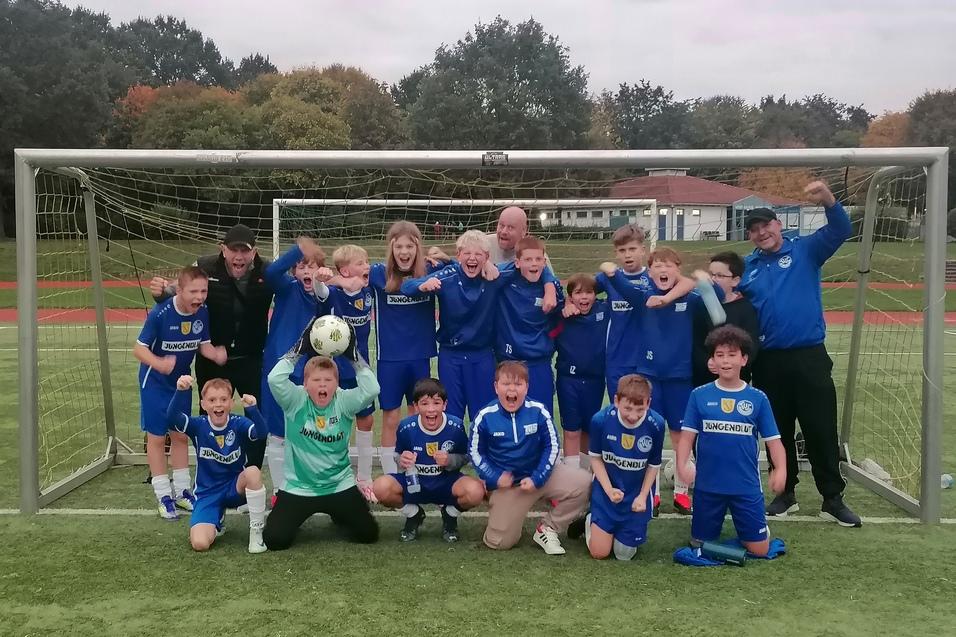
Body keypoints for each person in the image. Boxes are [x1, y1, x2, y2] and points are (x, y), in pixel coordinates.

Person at [738, 181, 861, 527]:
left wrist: (829, 202)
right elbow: (727, 294)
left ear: (779, 225)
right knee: (777, 430)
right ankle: (785, 492)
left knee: (820, 427)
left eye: (766, 225)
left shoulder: (806, 250)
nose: (762, 232)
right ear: (750, 236)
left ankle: (832, 498)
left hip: (809, 356)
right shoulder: (748, 268)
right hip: (769, 361)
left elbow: (841, 229)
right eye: (755, 229)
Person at [149, 223, 274, 469]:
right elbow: (179, 292)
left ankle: (251, 473)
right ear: (223, 250)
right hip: (212, 359)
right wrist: (161, 292)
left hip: (252, 358)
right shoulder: (204, 266)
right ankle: (212, 472)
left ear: (254, 252)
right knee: (209, 418)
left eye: (245, 251)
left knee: (257, 415)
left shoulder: (268, 270)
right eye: (233, 250)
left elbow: (299, 284)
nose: (239, 256)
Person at [263, 320, 381, 551]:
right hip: (299, 487)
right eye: (316, 380)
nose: (322, 386)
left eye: (328, 380)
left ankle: (341, 513)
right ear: (305, 384)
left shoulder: (344, 401)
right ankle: (294, 516)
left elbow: (372, 389)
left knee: (368, 534)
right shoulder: (294, 400)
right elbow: (274, 379)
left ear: (337, 384)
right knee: (275, 540)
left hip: (338, 485)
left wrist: (353, 356)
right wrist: (299, 349)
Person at [601, 248, 701, 514]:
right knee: (649, 434)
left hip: (680, 379)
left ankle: (682, 493)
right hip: (650, 379)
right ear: (649, 272)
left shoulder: (690, 299)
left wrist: (669, 297)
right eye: (656, 266)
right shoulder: (643, 297)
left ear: (678, 268)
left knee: (682, 436)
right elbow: (617, 280)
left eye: (667, 265)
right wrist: (610, 269)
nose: (662, 270)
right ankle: (652, 494)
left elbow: (699, 281)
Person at [677, 325, 786, 556]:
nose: (726, 361)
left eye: (732, 355)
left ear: (744, 359)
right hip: (708, 486)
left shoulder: (757, 398)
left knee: (759, 550)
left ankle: (758, 531)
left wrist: (781, 469)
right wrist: (682, 465)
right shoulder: (699, 395)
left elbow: (774, 441)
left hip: (745, 486)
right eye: (720, 355)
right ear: (713, 361)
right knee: (699, 546)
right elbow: (686, 437)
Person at [469, 361, 591, 555]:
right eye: (506, 384)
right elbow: (475, 453)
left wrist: (538, 478)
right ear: (496, 387)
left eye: (518, 384)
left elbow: (552, 447)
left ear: (527, 387)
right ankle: (501, 508)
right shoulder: (484, 416)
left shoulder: (538, 411)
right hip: (509, 485)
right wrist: (495, 477)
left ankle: (548, 528)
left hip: (540, 476)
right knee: (499, 542)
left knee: (585, 483)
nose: (512, 389)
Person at [134, 266, 227, 518]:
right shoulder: (161, 313)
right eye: (193, 291)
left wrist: (216, 354)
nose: (199, 296)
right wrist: (159, 363)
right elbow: (139, 349)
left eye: (203, 291)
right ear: (180, 290)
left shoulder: (203, 312)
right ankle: (163, 495)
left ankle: (184, 492)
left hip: (183, 383)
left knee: (180, 436)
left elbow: (202, 343)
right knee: (156, 438)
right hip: (154, 383)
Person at [398, 231, 506, 422]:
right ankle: (453, 452)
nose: (472, 258)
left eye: (479, 254)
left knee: (482, 415)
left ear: (487, 257)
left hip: (482, 356)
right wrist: (422, 286)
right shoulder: (447, 277)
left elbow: (525, 265)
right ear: (458, 255)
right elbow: (406, 287)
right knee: (451, 414)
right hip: (451, 356)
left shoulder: (494, 276)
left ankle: (478, 452)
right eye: (467, 253)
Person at [261, 237, 332, 501]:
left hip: (309, 373)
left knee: (307, 431)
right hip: (278, 368)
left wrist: (321, 279)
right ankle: (280, 490)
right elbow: (270, 272)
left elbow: (323, 294)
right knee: (277, 432)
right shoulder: (287, 287)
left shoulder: (323, 294)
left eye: (313, 267)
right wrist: (298, 251)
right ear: (294, 272)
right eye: (302, 267)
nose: (307, 271)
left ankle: (307, 484)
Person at [372, 378, 485, 543]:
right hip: (415, 483)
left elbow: (465, 456)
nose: (431, 409)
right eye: (425, 404)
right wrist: (401, 460)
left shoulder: (456, 426)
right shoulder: (406, 427)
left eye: (436, 403)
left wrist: (449, 460)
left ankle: (450, 515)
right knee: (380, 487)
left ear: (444, 405)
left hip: (446, 482)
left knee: (475, 492)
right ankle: (414, 515)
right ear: (416, 407)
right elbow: (397, 455)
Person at [166, 375, 268, 553]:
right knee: (200, 544)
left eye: (223, 399)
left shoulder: (238, 423)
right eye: (212, 400)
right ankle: (216, 518)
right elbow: (172, 419)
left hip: (234, 488)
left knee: (253, 472)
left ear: (231, 403)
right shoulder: (199, 425)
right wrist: (180, 391)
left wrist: (252, 409)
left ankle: (256, 535)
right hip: (208, 494)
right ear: (203, 404)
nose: (218, 404)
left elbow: (261, 433)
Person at [368, 222, 437, 480]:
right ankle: (389, 474)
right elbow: (352, 277)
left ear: (418, 247)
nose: (404, 251)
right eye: (399, 246)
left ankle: (415, 468)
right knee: (390, 417)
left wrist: (442, 254)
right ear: (391, 248)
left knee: (418, 414)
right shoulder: (379, 273)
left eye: (410, 245)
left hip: (419, 356)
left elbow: (458, 267)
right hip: (390, 359)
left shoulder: (431, 270)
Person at [586, 374, 665, 561]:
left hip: (635, 495)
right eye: (627, 408)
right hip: (608, 491)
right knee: (599, 553)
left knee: (624, 555)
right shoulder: (600, 420)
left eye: (640, 409)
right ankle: (592, 520)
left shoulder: (657, 424)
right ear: (616, 400)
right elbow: (596, 459)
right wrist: (608, 489)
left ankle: (622, 530)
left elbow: (653, 465)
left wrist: (643, 497)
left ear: (649, 403)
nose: (633, 415)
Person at [323, 244, 377, 500]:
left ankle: (364, 477)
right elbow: (322, 287)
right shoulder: (334, 291)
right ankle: (335, 476)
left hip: (361, 368)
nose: (367, 266)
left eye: (367, 262)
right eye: (360, 262)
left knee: (366, 420)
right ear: (345, 270)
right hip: (337, 369)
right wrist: (337, 280)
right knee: (336, 422)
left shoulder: (369, 288)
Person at [493, 235, 563, 413]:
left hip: (539, 363)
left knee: (541, 414)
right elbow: (486, 270)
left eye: (539, 259)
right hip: (509, 361)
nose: (534, 264)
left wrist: (549, 285)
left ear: (544, 262)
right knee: (508, 417)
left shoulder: (553, 287)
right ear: (517, 263)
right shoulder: (506, 278)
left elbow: (561, 318)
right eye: (528, 259)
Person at [549, 273, 608, 471]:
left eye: (589, 292)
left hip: (595, 381)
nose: (584, 298)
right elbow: (551, 329)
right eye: (578, 293)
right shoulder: (563, 316)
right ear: (571, 296)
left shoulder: (604, 310)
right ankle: (571, 477)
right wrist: (564, 304)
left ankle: (584, 474)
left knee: (588, 430)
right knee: (571, 430)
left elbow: (617, 288)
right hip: (569, 380)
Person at [692, 251, 760, 387]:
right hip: (705, 380)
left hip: (736, 381)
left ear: (735, 280)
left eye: (720, 275)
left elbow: (751, 345)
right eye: (711, 275)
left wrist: (732, 363)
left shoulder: (745, 308)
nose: (714, 280)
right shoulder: (700, 305)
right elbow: (696, 342)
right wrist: (707, 361)